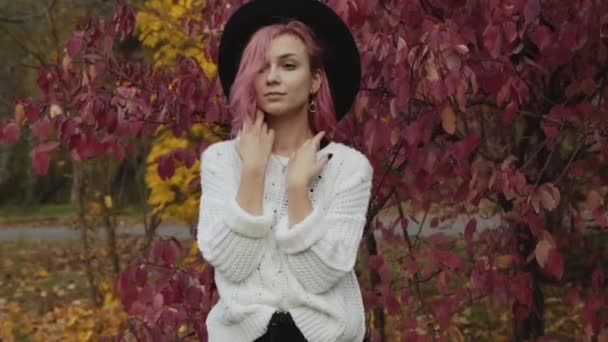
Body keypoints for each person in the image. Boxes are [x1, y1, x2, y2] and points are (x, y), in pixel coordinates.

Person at [196, 0, 374, 341]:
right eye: (261, 68)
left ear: (315, 80)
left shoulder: (348, 168)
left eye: (288, 65)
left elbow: (321, 275)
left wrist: (296, 189)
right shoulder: (221, 160)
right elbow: (232, 264)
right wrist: (252, 171)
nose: (272, 78)